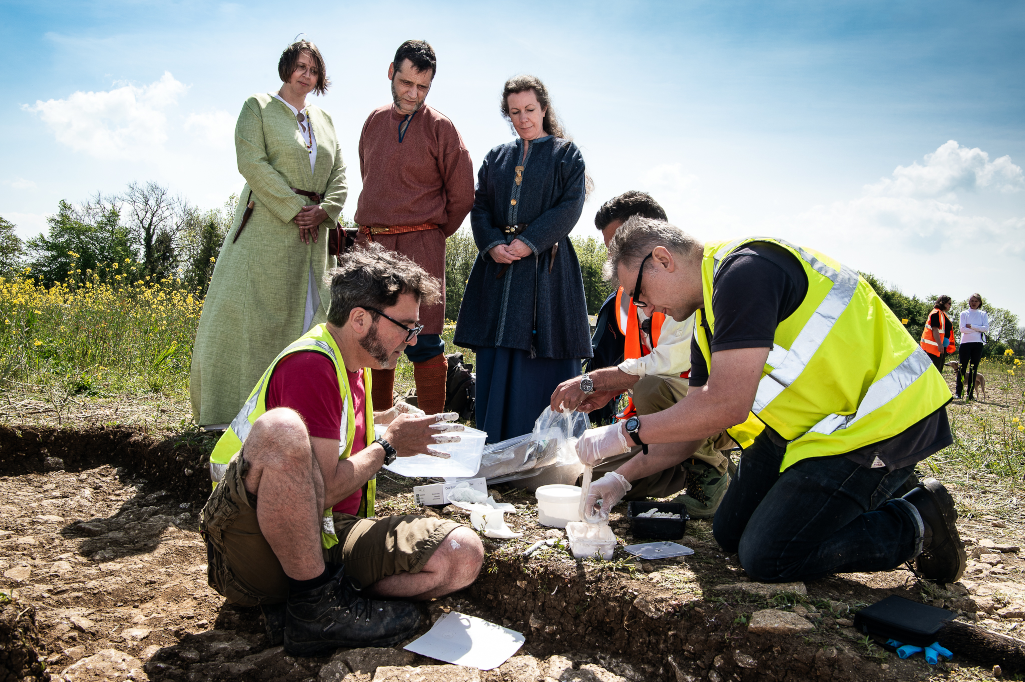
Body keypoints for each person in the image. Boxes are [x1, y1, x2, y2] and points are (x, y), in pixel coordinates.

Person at [574, 217, 965, 585]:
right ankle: (850, 495)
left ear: (663, 258)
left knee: (768, 557)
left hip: (877, 424)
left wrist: (626, 432)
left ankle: (917, 519)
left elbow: (726, 405)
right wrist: (621, 478)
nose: (646, 309)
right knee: (729, 533)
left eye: (640, 294)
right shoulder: (708, 314)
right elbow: (696, 423)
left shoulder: (746, 272)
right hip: (808, 430)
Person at [200, 243, 484, 656]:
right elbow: (320, 491)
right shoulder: (311, 366)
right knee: (282, 428)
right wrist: (389, 445)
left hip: (328, 535)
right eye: (406, 325)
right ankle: (316, 608)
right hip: (253, 549)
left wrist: (384, 419)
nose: (412, 338)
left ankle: (314, 600)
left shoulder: (353, 363)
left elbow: (333, 434)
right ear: (359, 318)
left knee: (461, 556)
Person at [191, 39, 349, 428]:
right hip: (268, 228)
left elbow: (341, 174)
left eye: (313, 70)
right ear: (286, 69)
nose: (306, 75)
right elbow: (252, 163)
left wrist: (324, 211)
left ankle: (301, 412)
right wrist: (296, 210)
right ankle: (242, 411)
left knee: (314, 319)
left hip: (315, 237)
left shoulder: (325, 120)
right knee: (257, 318)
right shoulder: (257, 108)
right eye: (300, 67)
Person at [551, 191, 732, 519]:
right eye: (609, 247)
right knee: (580, 479)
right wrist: (614, 391)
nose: (612, 256)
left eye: (620, 242)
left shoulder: (696, 288)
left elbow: (671, 367)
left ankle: (710, 469)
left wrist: (595, 383)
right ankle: (669, 467)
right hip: (656, 426)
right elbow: (641, 364)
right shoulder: (628, 297)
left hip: (695, 420)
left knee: (653, 387)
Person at [454, 75, 591, 442]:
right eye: (515, 112)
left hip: (548, 269)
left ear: (544, 109)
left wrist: (531, 241)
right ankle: (496, 444)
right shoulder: (496, 158)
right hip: (498, 270)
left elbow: (570, 206)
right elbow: (479, 207)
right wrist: (492, 244)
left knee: (544, 349)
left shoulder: (566, 155)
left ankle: (546, 445)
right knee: (497, 349)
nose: (523, 118)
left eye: (530, 109)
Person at [354, 40, 474, 415]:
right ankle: (378, 428)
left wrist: (431, 234)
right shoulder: (373, 121)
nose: (413, 93)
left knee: (423, 340)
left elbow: (463, 196)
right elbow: (370, 177)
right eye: (406, 83)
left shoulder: (442, 128)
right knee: (373, 336)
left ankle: (433, 434)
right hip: (373, 245)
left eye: (423, 87)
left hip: (422, 244)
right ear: (392, 72)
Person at [957, 292, 989, 400]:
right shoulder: (964, 314)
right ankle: (958, 392)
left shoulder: (983, 314)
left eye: (976, 301)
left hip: (978, 343)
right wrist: (977, 328)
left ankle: (970, 394)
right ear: (969, 302)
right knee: (962, 368)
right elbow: (962, 329)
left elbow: (985, 328)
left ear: (979, 302)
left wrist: (971, 326)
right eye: (972, 301)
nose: (974, 303)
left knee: (973, 369)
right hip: (965, 343)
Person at [920, 295, 956, 372]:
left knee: (938, 370)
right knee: (934, 371)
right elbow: (935, 329)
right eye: (949, 303)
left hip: (939, 347)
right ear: (943, 303)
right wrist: (939, 344)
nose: (950, 305)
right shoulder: (936, 313)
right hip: (934, 348)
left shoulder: (942, 314)